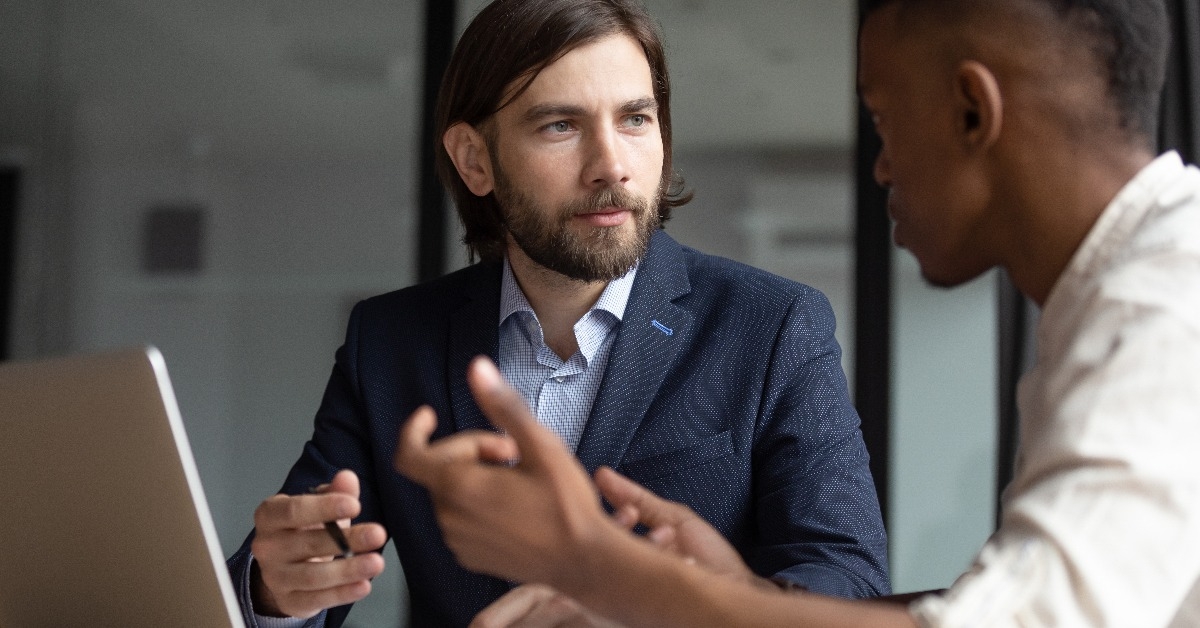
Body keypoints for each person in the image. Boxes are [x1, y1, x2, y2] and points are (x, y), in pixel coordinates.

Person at [394, 0, 1200, 626]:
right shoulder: (1118, 301)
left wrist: (602, 567)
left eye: (883, 119)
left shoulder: (1161, 312)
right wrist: (740, 593)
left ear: (970, 111)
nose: (880, 166)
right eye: (561, 125)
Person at [227, 0, 892, 625]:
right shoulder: (390, 343)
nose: (611, 165)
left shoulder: (773, 325)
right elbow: (306, 555)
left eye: (635, 119)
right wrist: (275, 589)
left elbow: (850, 583)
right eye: (561, 126)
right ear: (475, 160)